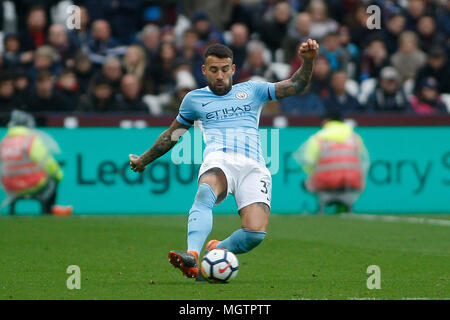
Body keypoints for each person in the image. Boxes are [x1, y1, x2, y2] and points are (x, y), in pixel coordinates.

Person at [129, 39, 319, 280]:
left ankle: (216, 251)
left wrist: (308, 61)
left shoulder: (253, 90)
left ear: (233, 69)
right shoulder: (194, 99)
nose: (220, 75)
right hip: (220, 158)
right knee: (205, 191)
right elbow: (172, 135)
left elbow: (296, 85)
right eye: (214, 69)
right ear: (204, 70)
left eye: (224, 69)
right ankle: (192, 256)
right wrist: (144, 159)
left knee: (255, 235)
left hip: (254, 167)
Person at [292, 109, 369, 214]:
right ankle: (344, 206)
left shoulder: (319, 137)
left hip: (324, 181)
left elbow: (308, 162)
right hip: (351, 182)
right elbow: (363, 161)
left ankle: (322, 207)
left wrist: (312, 175)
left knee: (308, 178)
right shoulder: (355, 137)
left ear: (326, 121)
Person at [0, 110, 72, 215]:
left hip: (9, 187)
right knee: (54, 177)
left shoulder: (5, 141)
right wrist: (58, 175)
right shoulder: (30, 140)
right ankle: (49, 211)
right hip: (32, 184)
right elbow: (47, 162)